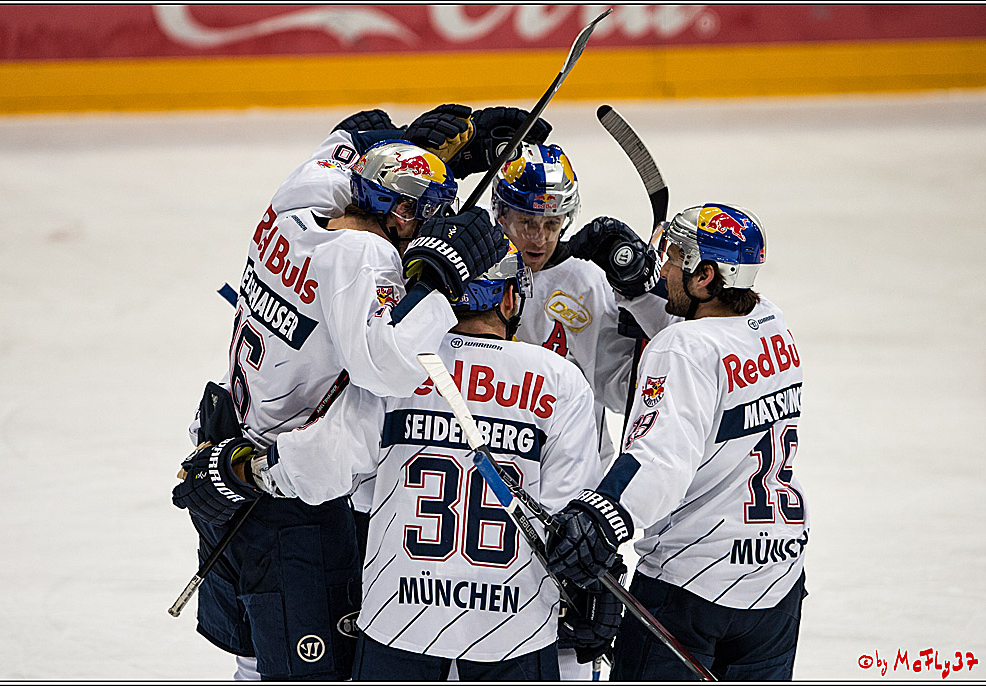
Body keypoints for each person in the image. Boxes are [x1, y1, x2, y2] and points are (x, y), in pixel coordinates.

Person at [172, 103, 541, 680]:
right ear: (396, 213)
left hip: (224, 453)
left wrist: (413, 146)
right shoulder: (363, 255)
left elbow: (348, 134)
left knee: (256, 655)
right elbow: (385, 367)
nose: (425, 228)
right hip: (282, 494)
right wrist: (440, 276)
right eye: (423, 215)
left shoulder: (295, 203)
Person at [228, 244, 611, 680]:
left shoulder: (399, 367)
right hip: (512, 627)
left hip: (400, 617)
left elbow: (323, 465)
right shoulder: (560, 381)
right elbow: (571, 512)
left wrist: (246, 469)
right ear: (510, 299)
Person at [545, 204, 809, 681]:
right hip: (777, 580)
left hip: (692, 586)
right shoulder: (773, 325)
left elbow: (660, 458)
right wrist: (637, 293)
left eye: (672, 257)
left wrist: (601, 515)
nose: (661, 267)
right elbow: (706, 353)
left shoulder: (681, 350)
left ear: (704, 275)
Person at [489, 141, 672, 678]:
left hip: (573, 513)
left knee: (571, 661)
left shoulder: (589, 282)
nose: (537, 237)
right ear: (499, 213)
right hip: (485, 492)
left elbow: (623, 392)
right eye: (524, 221)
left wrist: (642, 311)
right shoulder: (475, 274)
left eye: (551, 223)